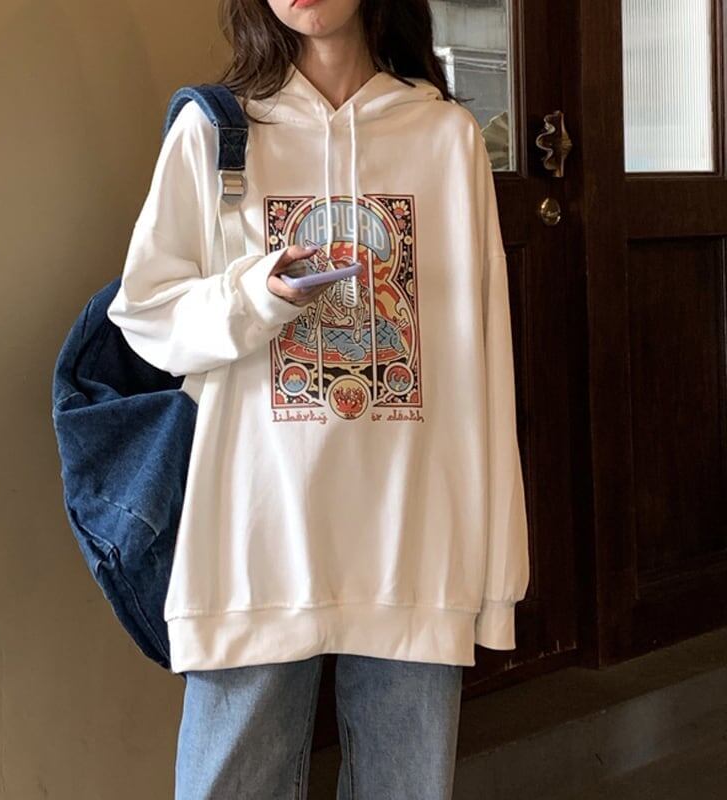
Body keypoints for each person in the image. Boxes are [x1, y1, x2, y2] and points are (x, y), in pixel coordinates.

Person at [106, 0, 530, 797]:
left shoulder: (445, 138)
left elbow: (483, 357)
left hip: (413, 539)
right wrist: (255, 295)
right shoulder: (217, 132)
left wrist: (495, 569)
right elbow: (147, 314)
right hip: (254, 536)